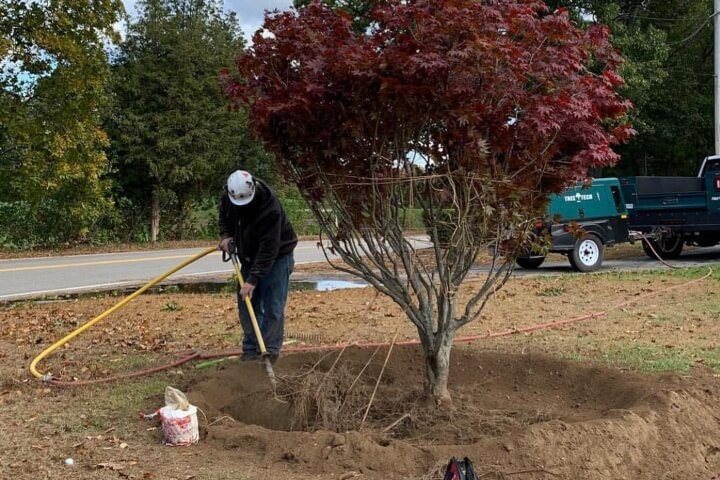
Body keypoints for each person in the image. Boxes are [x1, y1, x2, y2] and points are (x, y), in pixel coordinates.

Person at [218, 170, 297, 362]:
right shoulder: (228, 197)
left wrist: (253, 279)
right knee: (247, 305)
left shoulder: (270, 206)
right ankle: (252, 350)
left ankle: (270, 351)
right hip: (247, 256)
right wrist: (226, 236)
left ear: (253, 188)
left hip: (278, 257)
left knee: (273, 307)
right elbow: (225, 219)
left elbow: (269, 247)